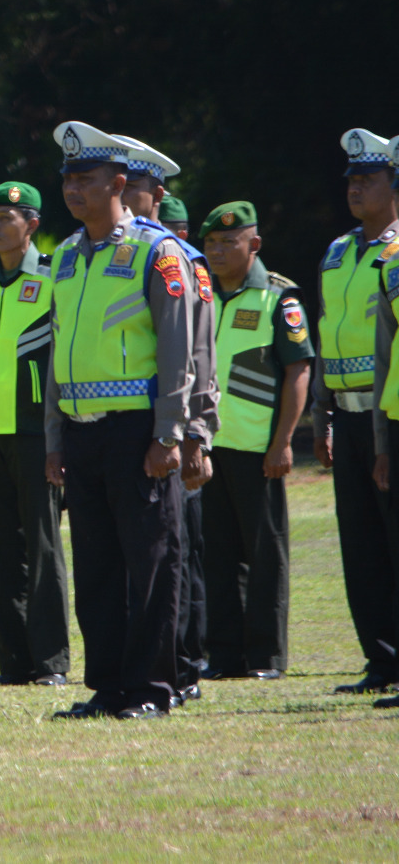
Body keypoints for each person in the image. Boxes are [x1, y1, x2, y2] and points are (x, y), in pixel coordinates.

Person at [44, 122, 195, 721]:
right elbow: (58, 350)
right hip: (81, 431)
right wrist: (55, 437)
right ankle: (108, 686)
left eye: (86, 178)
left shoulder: (159, 253)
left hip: (137, 431)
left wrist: (169, 433)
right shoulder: (65, 257)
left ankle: (154, 687)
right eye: (68, 179)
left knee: (151, 562)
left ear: (119, 183)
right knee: (99, 566)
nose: (74, 189)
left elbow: (178, 350)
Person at [116, 137, 218, 705]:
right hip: (126, 428)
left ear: (156, 194)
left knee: (171, 555)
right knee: (139, 558)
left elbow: (197, 356)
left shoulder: (173, 256)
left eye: (134, 187)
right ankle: (144, 670)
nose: (124, 196)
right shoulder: (109, 255)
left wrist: (197, 433)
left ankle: (179, 671)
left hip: (170, 429)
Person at [0, 182, 70, 688]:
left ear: (31, 224)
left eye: (6, 217)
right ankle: (15, 663)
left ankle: (51, 662)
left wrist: (58, 439)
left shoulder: (53, 277)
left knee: (44, 549)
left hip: (34, 433)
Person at [200, 201, 310, 681]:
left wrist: (283, 441)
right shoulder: (201, 293)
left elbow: (298, 371)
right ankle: (225, 656)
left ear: (255, 245)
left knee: (265, 555)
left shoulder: (277, 299)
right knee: (217, 556)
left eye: (229, 241)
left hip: (257, 450)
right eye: (211, 243)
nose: (218, 250)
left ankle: (266, 657)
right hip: (208, 449)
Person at [313, 128, 399, 695]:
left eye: (368, 179)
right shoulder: (339, 250)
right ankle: (381, 658)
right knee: (360, 543)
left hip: (386, 411)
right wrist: (320, 413)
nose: (356, 189)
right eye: (352, 180)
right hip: (345, 412)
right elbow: (326, 331)